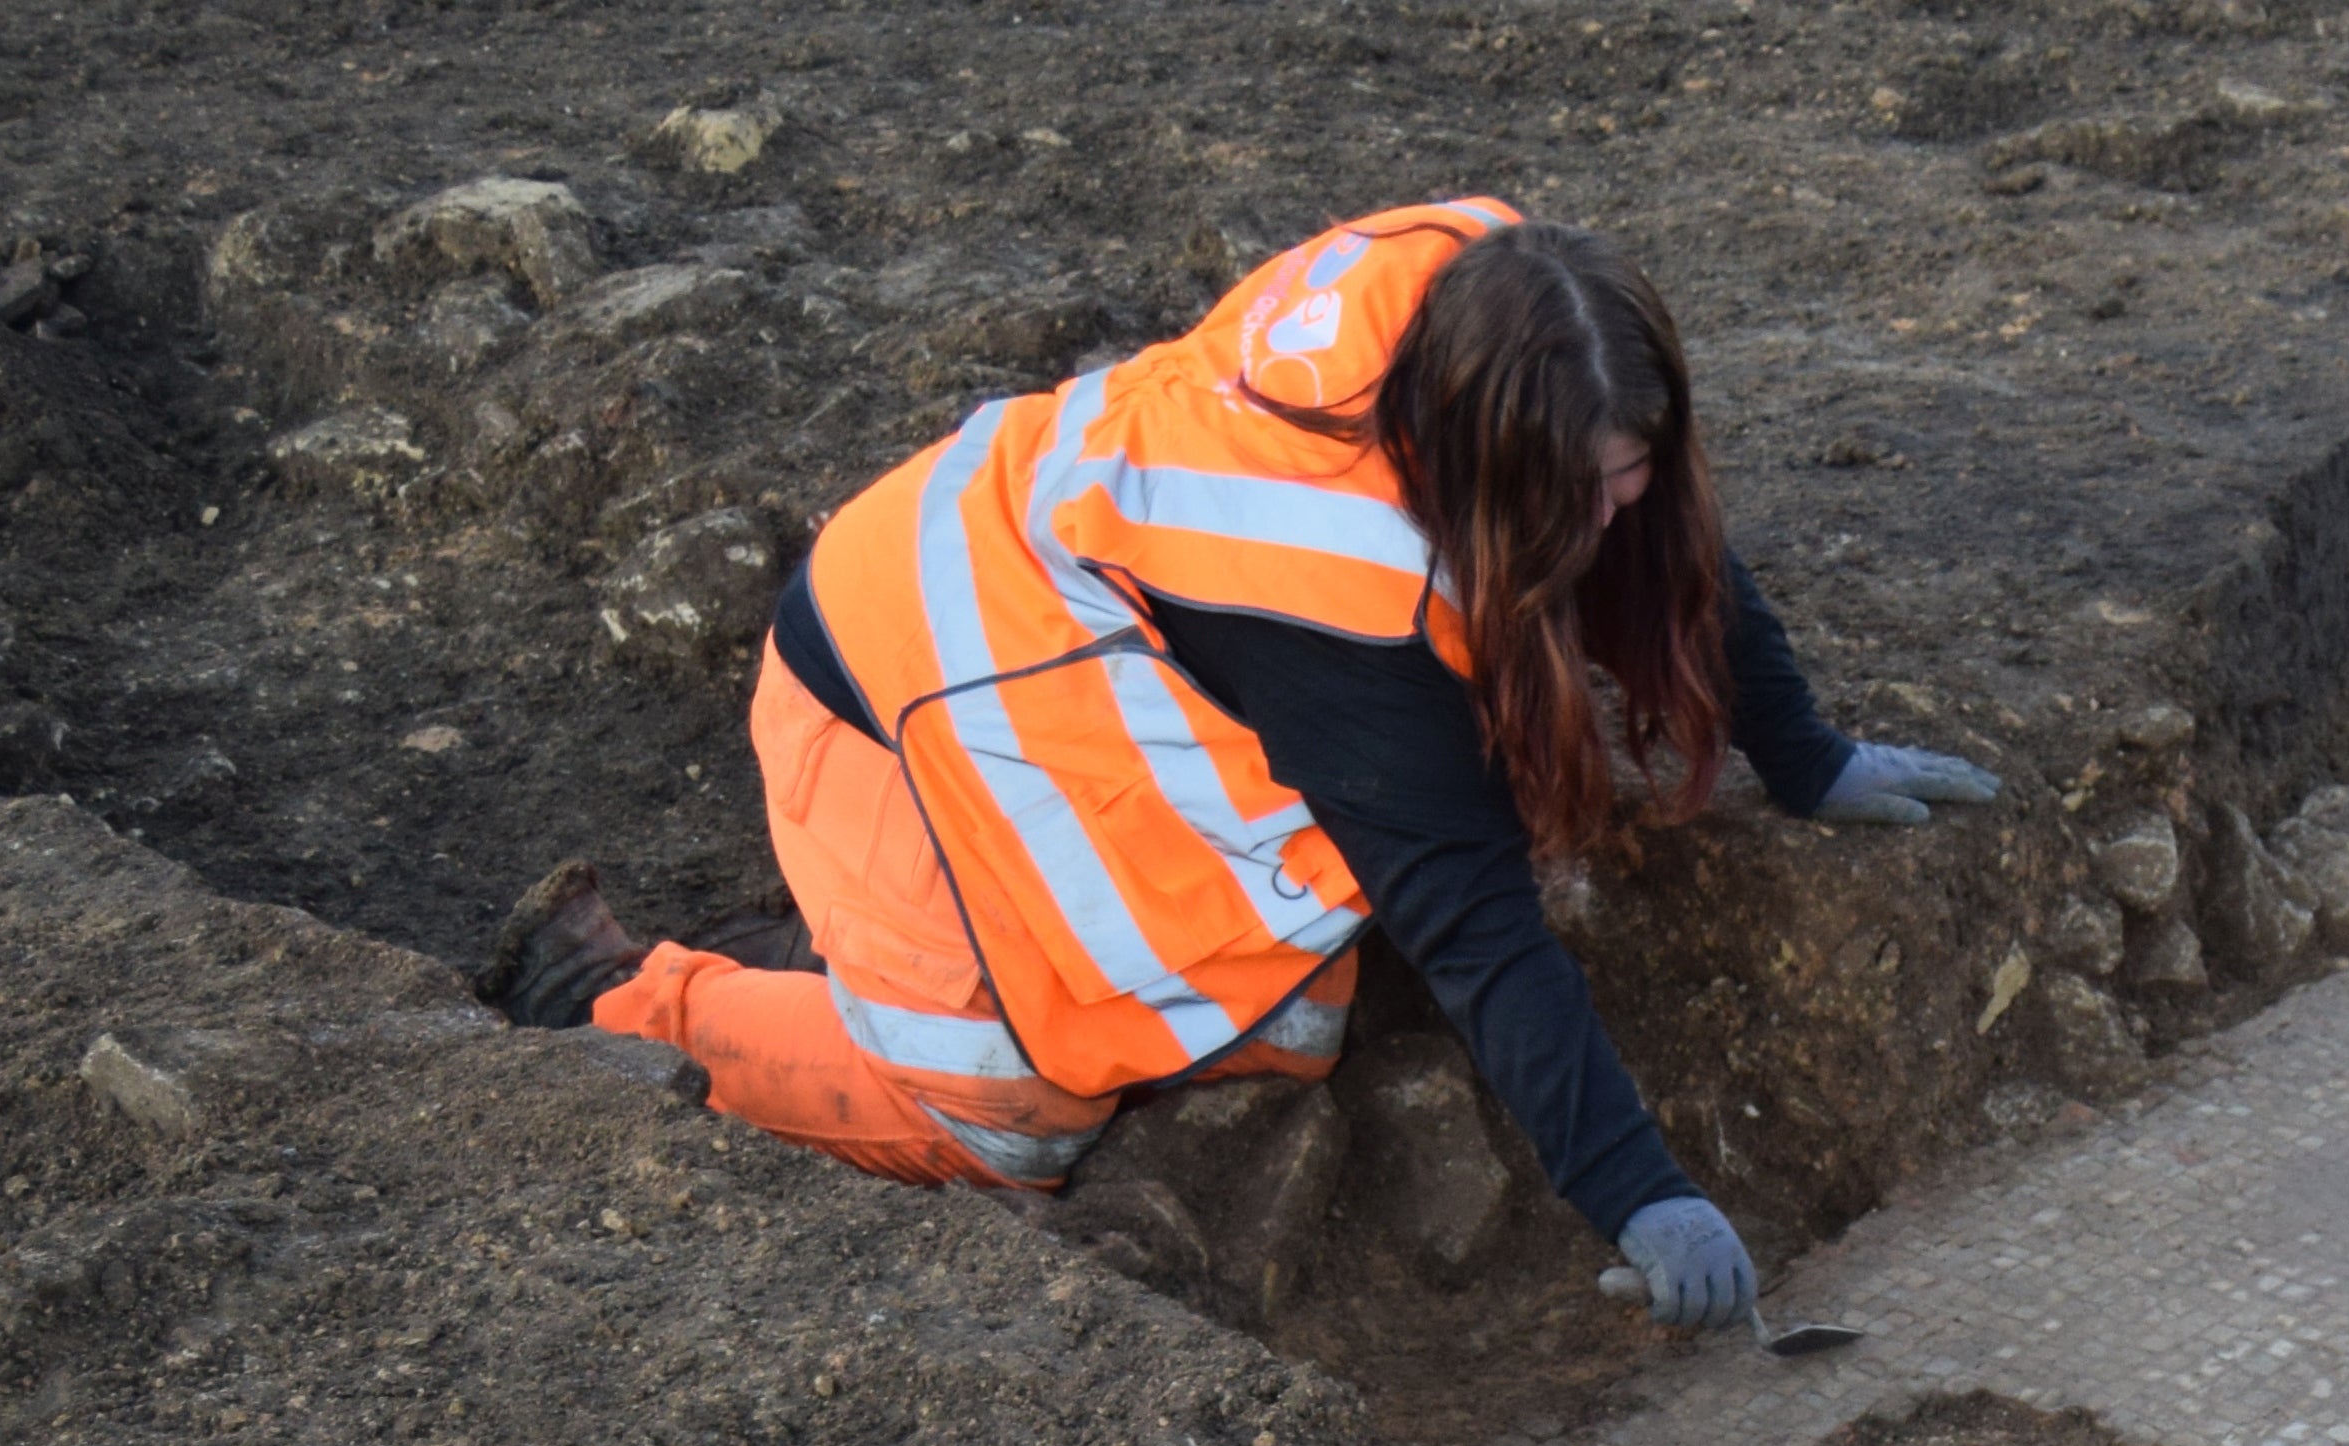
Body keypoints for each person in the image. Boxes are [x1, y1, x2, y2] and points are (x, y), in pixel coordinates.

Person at [484, 197, 1995, 1334]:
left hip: (1061, 630)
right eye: (1582, 500)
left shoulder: (1508, 306)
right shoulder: (1339, 582)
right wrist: (1639, 1189)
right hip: (902, 680)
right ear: (1490, 469)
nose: (1618, 519)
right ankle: (622, 993)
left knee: (1281, 1008)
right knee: (1000, 1114)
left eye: (1630, 475)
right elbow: (1473, 923)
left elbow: (1654, 540)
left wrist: (1805, 756)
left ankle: (869, 954)